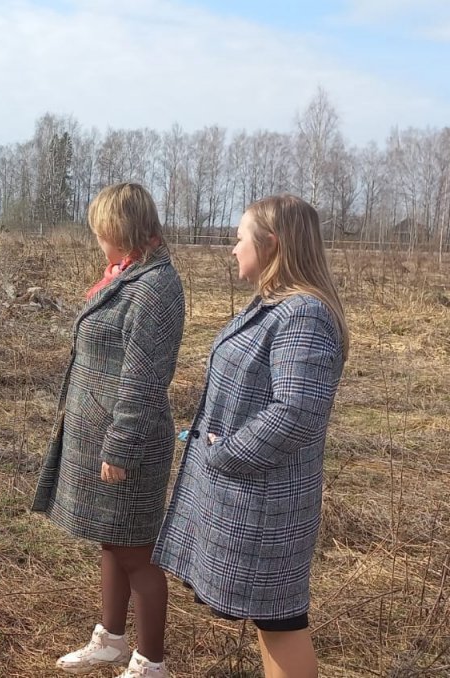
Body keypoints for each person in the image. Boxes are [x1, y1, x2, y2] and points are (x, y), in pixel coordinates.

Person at [153, 194, 349, 678]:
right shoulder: (278, 306)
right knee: (273, 621)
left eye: (239, 237)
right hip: (255, 496)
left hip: (267, 503)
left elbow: (298, 412)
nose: (232, 248)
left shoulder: (302, 313)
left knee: (282, 621)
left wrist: (226, 453)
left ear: (271, 243)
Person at [32, 183, 185, 677]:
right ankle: (112, 640)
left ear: (124, 229)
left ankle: (150, 663)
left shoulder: (155, 287)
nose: (98, 240)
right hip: (101, 435)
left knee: (137, 553)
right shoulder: (130, 275)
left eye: (103, 231)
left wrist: (120, 445)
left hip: (128, 442)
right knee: (111, 540)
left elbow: (144, 376)